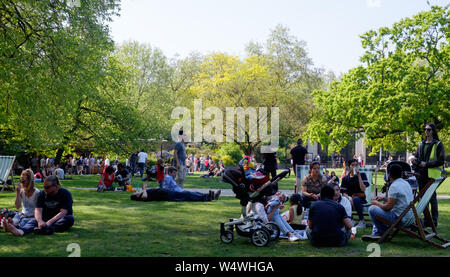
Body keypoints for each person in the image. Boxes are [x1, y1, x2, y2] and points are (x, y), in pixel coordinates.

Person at [4, 176, 74, 236]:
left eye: (47, 187)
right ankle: (21, 231)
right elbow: (37, 210)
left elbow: (63, 212)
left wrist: (48, 223)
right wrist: (40, 221)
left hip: (58, 219)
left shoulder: (65, 193)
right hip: (44, 219)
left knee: (69, 219)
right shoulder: (42, 194)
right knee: (34, 221)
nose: (45, 189)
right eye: (44, 187)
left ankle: (44, 229)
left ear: (55, 186)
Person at [362, 163, 414, 241]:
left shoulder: (394, 186)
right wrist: (383, 199)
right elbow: (400, 199)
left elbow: (388, 208)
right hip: (409, 217)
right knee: (380, 205)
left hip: (400, 219)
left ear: (389, 175)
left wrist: (376, 203)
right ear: (401, 174)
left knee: (372, 209)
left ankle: (381, 232)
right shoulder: (406, 183)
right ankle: (376, 232)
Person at [411, 122, 445, 227]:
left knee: (432, 198)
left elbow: (441, 161)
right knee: (422, 198)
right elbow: (417, 157)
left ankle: (433, 221)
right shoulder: (421, 144)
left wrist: (426, 164)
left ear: (433, 131)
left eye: (428, 129)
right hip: (421, 174)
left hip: (432, 175)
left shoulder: (438, 144)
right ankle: (426, 220)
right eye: (425, 129)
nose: (426, 131)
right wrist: (414, 160)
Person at [132, 167, 221, 202]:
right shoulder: (143, 196)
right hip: (168, 194)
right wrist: (144, 189)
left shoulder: (144, 193)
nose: (137, 193)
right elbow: (144, 197)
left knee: (189, 194)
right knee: (188, 195)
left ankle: (208, 196)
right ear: (136, 197)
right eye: (135, 194)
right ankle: (207, 197)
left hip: (168, 192)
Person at [2, 169, 40, 236]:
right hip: (22, 214)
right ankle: (11, 224)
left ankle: (13, 226)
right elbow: (17, 206)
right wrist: (18, 193)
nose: (22, 183)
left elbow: (39, 210)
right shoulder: (22, 191)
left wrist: (27, 215)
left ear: (29, 181)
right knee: (17, 217)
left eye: (23, 181)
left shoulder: (37, 193)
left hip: (32, 216)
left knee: (26, 221)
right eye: (21, 181)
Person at [341, 158, 369, 229]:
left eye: (356, 165)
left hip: (360, 199)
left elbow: (363, 189)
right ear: (349, 166)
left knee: (356, 199)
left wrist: (359, 175)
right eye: (352, 165)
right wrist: (349, 197)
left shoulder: (362, 175)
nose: (354, 167)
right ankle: (351, 220)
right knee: (344, 200)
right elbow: (343, 192)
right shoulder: (345, 179)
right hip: (349, 199)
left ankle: (361, 221)